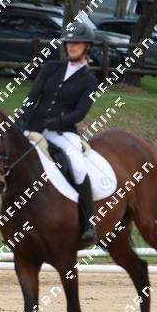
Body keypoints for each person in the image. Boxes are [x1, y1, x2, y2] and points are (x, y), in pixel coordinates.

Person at [16, 21, 99, 246]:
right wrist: (22, 116)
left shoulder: (90, 80)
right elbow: (33, 95)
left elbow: (80, 112)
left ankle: (88, 224)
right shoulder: (51, 68)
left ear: (87, 46)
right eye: (69, 42)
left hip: (62, 132)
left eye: (77, 43)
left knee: (78, 168)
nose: (71, 46)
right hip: (34, 127)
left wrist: (60, 121)